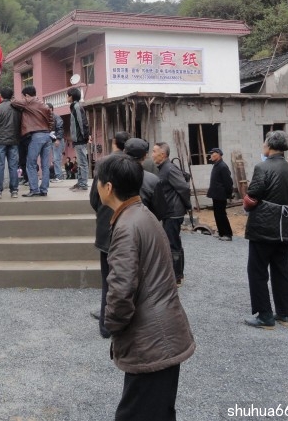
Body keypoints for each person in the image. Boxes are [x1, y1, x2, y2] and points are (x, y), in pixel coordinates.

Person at [98, 152, 195, 421]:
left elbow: (121, 290)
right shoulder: (142, 214)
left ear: (108, 187)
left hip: (151, 339)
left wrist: (112, 325)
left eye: (98, 182)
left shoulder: (126, 226)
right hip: (162, 333)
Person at [243, 130, 288, 329]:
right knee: (281, 269)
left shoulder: (262, 167)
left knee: (257, 270)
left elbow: (253, 195)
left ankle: (265, 315)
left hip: (264, 225)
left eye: (264, 143)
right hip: (285, 225)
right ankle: (284, 314)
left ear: (269, 145)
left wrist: (248, 204)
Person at [89, 131, 129, 338]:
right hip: (129, 227)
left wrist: (103, 211)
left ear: (114, 143)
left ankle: (106, 325)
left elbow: (94, 198)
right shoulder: (134, 165)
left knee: (108, 279)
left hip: (106, 228)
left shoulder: (104, 165)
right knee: (127, 277)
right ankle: (124, 322)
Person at [151, 142, 191, 286]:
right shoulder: (163, 168)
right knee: (173, 242)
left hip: (173, 212)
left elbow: (184, 187)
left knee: (173, 244)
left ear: (162, 154)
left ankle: (176, 277)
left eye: (154, 151)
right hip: (169, 211)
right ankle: (177, 274)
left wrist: (187, 205)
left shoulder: (169, 168)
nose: (152, 154)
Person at [11, 86, 53, 197]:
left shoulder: (28, 102)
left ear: (27, 95)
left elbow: (14, 102)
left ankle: (34, 189)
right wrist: (48, 130)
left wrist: (17, 98)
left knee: (31, 163)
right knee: (45, 165)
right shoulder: (43, 104)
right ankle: (44, 189)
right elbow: (51, 120)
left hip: (36, 135)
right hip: (47, 135)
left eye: (23, 96)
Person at [0, 87, 20, 199]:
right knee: (13, 166)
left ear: (1, 96)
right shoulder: (17, 109)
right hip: (14, 140)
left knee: (0, 166)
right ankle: (14, 191)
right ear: (11, 96)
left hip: (0, 140)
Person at [207, 148, 234, 241]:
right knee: (217, 214)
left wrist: (228, 194)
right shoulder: (216, 165)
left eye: (212, 153)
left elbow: (228, 182)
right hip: (216, 195)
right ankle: (221, 233)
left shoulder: (222, 166)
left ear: (218, 154)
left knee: (221, 214)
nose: (211, 155)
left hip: (221, 195)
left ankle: (227, 234)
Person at [67, 87, 90, 191]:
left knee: (83, 163)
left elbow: (83, 123)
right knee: (80, 163)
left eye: (68, 96)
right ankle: (80, 182)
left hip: (80, 140)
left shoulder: (77, 107)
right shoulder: (74, 106)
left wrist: (85, 137)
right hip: (77, 140)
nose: (67, 97)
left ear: (71, 96)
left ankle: (83, 184)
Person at [46, 102, 64, 182]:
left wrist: (58, 139)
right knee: (53, 159)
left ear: (51, 109)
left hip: (56, 140)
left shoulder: (57, 117)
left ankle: (59, 176)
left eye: (47, 108)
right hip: (49, 140)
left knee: (57, 159)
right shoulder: (46, 118)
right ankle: (56, 176)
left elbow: (60, 128)